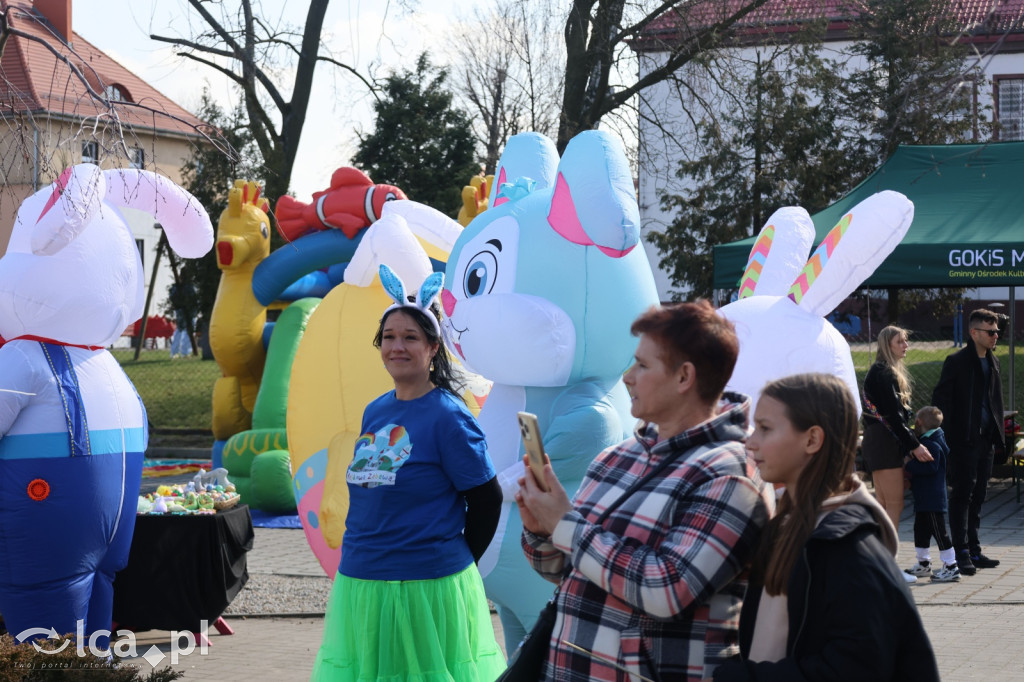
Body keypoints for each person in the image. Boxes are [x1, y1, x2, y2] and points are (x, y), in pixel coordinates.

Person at [515, 301, 771, 682]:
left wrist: (566, 526)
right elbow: (570, 571)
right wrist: (542, 531)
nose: (627, 378)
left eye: (642, 365)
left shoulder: (732, 474)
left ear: (685, 377)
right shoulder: (616, 457)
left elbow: (667, 589)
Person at [311, 266, 505, 681]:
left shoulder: (450, 418)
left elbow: (487, 500)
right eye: (389, 337)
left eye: (410, 338)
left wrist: (453, 560)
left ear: (433, 348)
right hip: (361, 579)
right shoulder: (376, 410)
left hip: (425, 586)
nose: (397, 346)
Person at [712, 373, 939, 682]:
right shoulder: (786, 527)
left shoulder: (848, 549)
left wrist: (744, 677)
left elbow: (856, 669)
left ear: (812, 439)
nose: (750, 441)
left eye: (765, 428)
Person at [932, 308, 1005, 577]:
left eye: (997, 331)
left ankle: (974, 548)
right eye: (991, 332)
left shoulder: (994, 362)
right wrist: (950, 437)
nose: (996, 336)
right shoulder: (957, 362)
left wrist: (997, 435)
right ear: (974, 333)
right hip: (963, 441)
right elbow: (941, 400)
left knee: (979, 495)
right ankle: (960, 551)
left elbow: (994, 401)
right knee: (962, 494)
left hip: (985, 441)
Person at [860, 326, 933, 536]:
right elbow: (894, 416)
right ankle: (887, 557)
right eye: (900, 341)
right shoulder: (884, 373)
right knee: (894, 504)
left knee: (884, 504)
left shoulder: (878, 370)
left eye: (905, 340)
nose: (905, 345)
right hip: (884, 441)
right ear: (887, 345)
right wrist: (914, 445)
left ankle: (879, 556)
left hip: (876, 439)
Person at [903, 406, 959, 582]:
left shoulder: (931, 444)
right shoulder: (931, 440)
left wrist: (908, 464)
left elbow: (931, 467)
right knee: (920, 530)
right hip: (923, 497)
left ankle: (951, 566)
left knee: (939, 532)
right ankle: (923, 563)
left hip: (932, 499)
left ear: (919, 422)